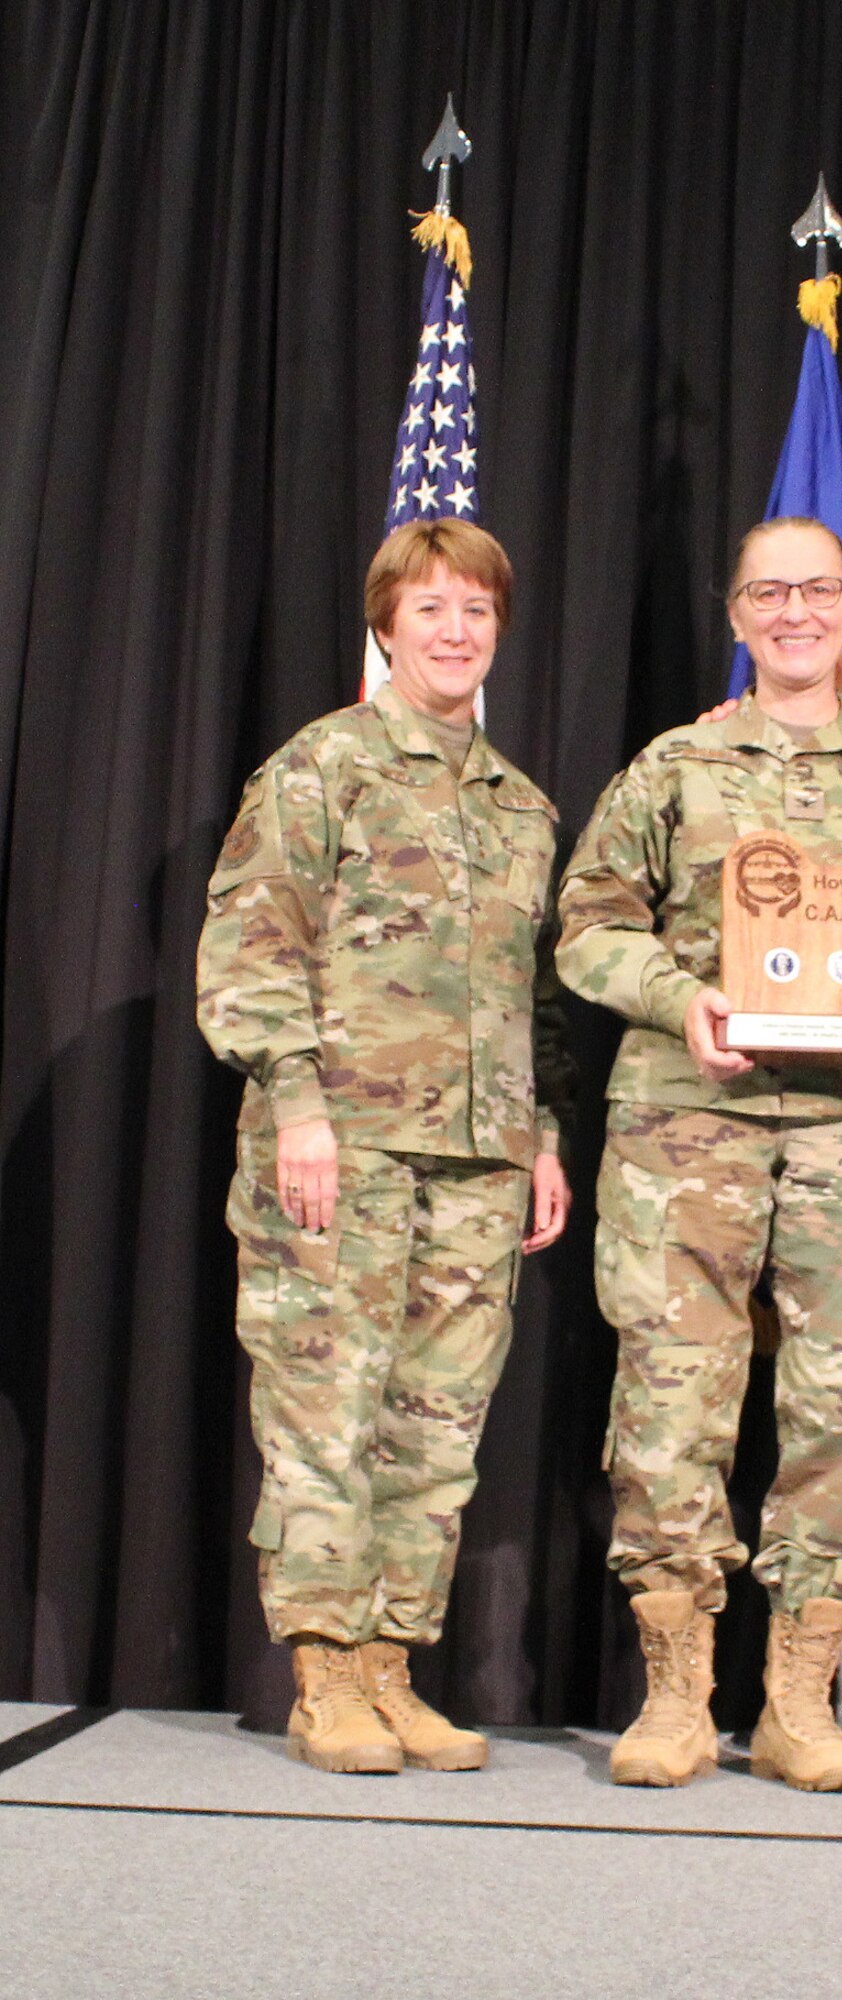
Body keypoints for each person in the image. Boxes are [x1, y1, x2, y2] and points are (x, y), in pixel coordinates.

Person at [556, 517, 842, 1793]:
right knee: (673, 1405)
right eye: (768, 591)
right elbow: (586, 927)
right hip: (690, 1125)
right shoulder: (672, 766)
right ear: (736, 616)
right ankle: (676, 1692)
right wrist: (684, 1000)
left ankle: (796, 1699)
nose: (795, 610)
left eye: (818, 589)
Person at [197, 519, 573, 1774]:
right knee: (325, 1412)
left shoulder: (524, 808)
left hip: (478, 1163)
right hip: (339, 1147)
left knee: (436, 1428)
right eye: (430, 610)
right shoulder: (325, 767)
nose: (455, 631)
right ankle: (321, 1674)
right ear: (387, 625)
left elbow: (538, 1001)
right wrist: (297, 1104)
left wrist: (544, 1138)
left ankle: (391, 1665)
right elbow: (252, 949)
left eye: (475, 610)